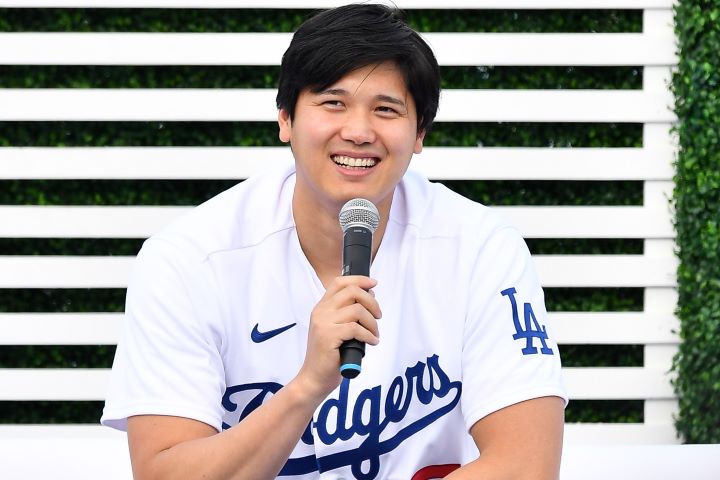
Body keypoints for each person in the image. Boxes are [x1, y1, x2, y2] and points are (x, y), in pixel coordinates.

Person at [101, 3, 567, 479]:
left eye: (386, 110)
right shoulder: (188, 260)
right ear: (286, 118)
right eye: (333, 103)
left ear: (420, 132)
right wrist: (307, 386)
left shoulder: (480, 248)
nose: (359, 132)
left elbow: (526, 466)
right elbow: (165, 472)